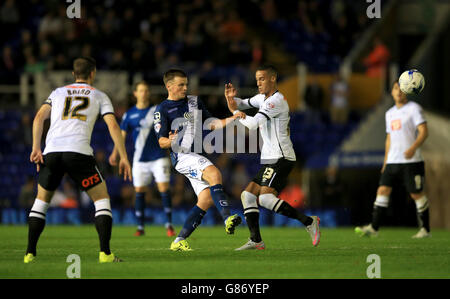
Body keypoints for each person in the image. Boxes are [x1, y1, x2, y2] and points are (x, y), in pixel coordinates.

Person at [24, 57, 132, 264]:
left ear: (74, 75)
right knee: (101, 200)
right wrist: (123, 157)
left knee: (41, 203)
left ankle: (29, 254)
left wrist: (36, 148)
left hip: (52, 152)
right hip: (79, 153)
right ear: (93, 74)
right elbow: (113, 126)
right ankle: (105, 254)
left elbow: (38, 118)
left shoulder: (57, 93)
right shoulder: (99, 95)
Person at [224, 65, 321, 250]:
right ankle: (256, 240)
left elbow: (251, 124)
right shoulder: (262, 98)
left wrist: (234, 113)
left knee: (266, 199)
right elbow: (242, 103)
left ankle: (309, 222)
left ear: (273, 79)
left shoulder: (275, 101)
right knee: (247, 195)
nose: (258, 83)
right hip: (270, 158)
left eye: (262, 78)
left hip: (282, 157)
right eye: (257, 79)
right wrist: (231, 99)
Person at [154, 68, 242, 251]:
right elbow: (161, 141)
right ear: (169, 86)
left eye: (186, 84)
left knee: (206, 199)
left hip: (196, 155)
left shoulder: (194, 102)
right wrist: (168, 140)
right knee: (214, 174)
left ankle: (178, 241)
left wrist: (232, 118)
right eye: (181, 85)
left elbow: (211, 123)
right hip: (182, 156)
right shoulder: (162, 109)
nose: (185, 87)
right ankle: (227, 218)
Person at [355, 81, 431, 238]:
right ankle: (374, 228)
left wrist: (413, 148)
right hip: (392, 161)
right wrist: (385, 161)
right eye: (396, 88)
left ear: (407, 91)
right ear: (392, 92)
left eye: (402, 89)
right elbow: (389, 139)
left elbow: (423, 131)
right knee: (382, 190)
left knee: (416, 194)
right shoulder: (389, 113)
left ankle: (425, 230)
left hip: (412, 161)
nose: (399, 91)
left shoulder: (414, 109)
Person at [109, 81, 175, 237]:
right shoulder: (129, 114)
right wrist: (114, 153)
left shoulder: (156, 111)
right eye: (141, 90)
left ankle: (169, 226)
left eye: (146, 90)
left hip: (158, 157)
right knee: (139, 191)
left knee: (164, 189)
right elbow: (121, 136)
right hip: (139, 159)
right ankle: (140, 227)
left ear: (148, 93)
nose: (144, 93)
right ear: (135, 94)